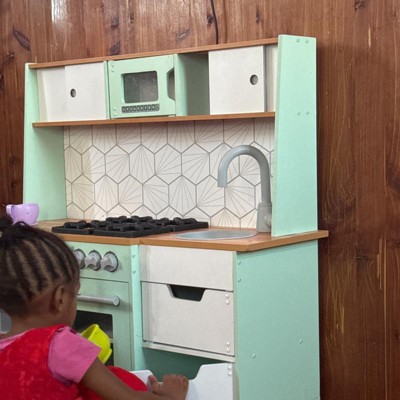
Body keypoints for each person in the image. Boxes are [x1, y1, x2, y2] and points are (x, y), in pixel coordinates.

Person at [0, 215, 188, 400]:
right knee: (124, 380)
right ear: (60, 299)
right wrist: (171, 396)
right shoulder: (60, 344)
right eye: (76, 294)